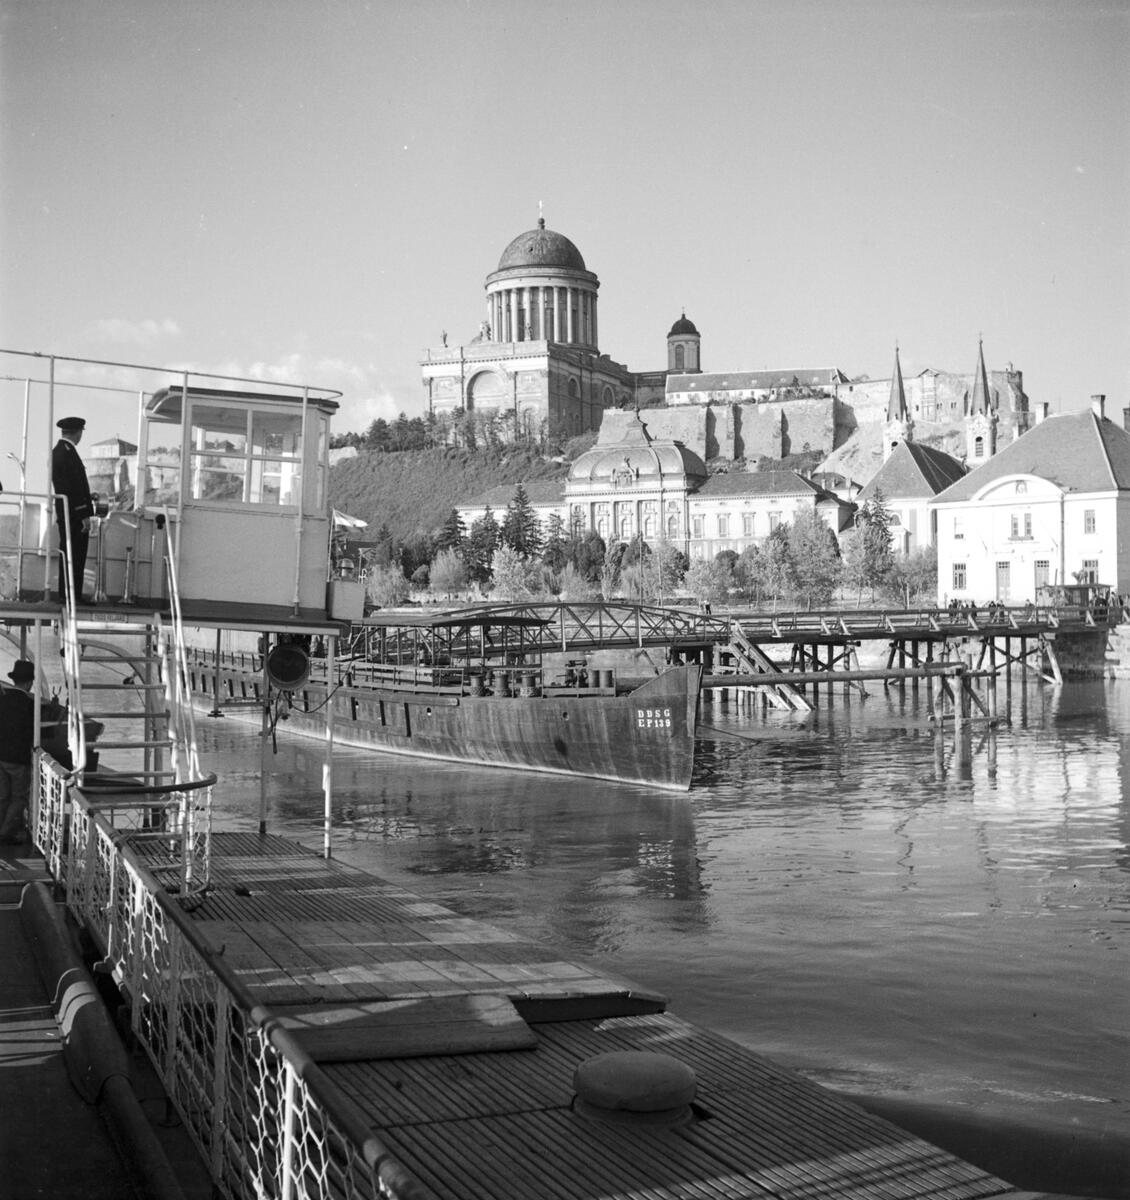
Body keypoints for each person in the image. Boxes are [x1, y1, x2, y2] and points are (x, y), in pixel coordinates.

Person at [52, 415, 93, 605]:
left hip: (69, 511)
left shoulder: (61, 451)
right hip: (73, 513)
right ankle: (71, 595)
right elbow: (72, 487)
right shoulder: (67, 453)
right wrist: (84, 513)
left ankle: (69, 593)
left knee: (71, 552)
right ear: (77, 433)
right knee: (75, 553)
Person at [0, 660, 36, 844]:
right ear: (30, 682)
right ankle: (5, 833)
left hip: (1, 756)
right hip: (18, 759)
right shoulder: (29, 704)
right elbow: (31, 731)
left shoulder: (2, 699)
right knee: (19, 797)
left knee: (3, 796)